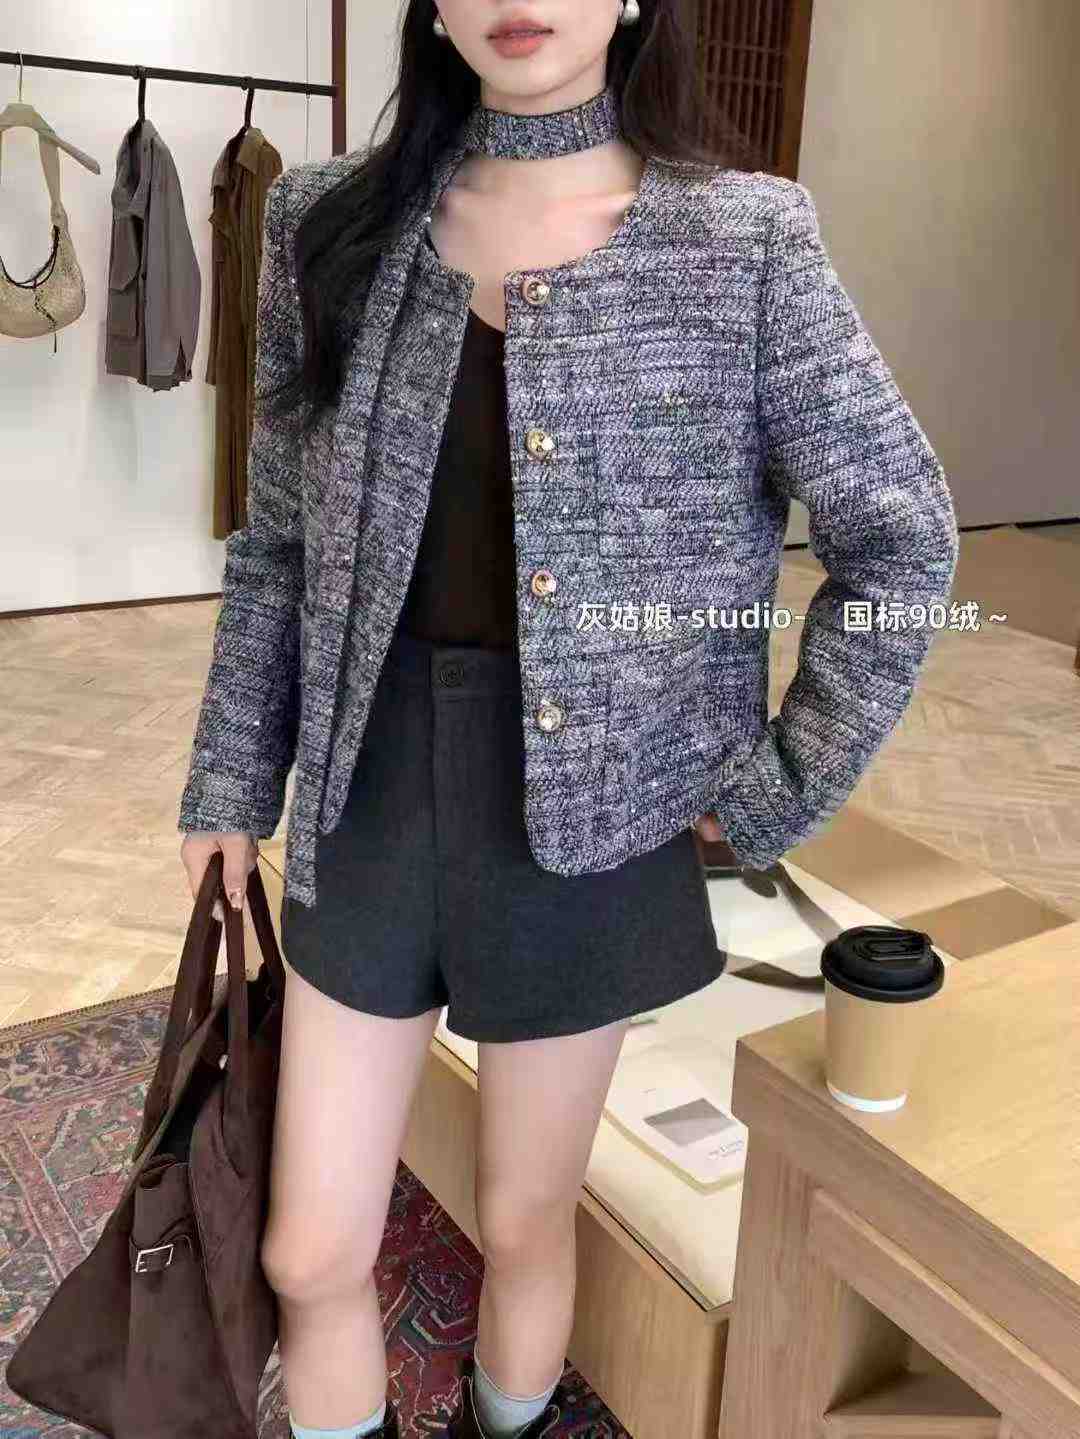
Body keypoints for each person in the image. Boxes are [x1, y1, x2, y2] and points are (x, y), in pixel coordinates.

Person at [178, 2, 960, 1437]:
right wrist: (233, 776)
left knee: (525, 1219)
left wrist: (779, 785)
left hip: (594, 820)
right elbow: (279, 536)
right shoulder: (327, 221)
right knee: (308, 1250)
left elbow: (901, 540)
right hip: (369, 788)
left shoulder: (744, 242)